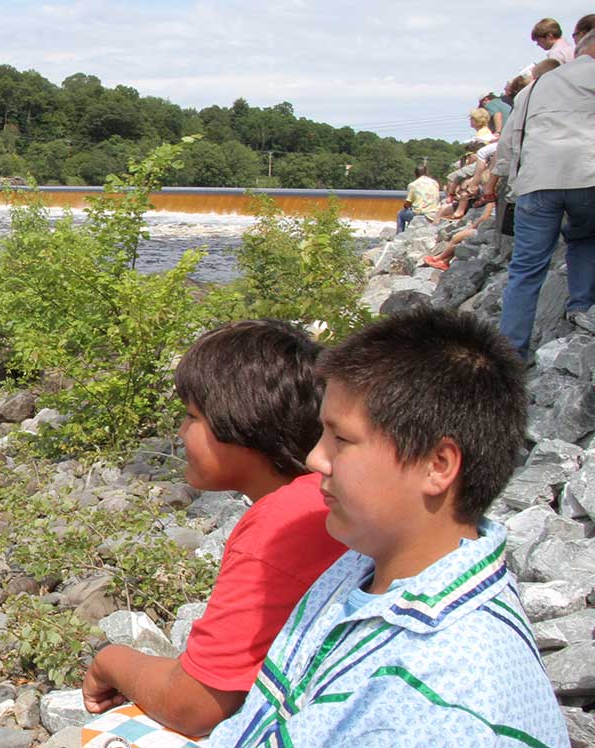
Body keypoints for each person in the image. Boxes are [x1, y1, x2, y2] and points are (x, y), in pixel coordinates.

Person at [208, 308, 568, 747]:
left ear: (437, 466)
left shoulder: (443, 704)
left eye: (341, 440)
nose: (315, 459)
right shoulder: (371, 562)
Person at [80, 321, 346, 737]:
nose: (182, 431)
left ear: (242, 423)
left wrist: (110, 660)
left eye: (192, 416)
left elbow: (195, 706)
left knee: (107, 734)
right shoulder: (330, 496)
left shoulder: (280, 525)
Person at [489, 30, 595, 359]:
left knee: (525, 268)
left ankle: (512, 353)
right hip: (587, 175)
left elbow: (511, 137)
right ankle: (581, 306)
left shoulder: (538, 85)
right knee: (585, 237)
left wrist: (503, 175)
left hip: (536, 180)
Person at [422, 201, 494, 270]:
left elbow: (484, 217)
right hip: (489, 229)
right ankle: (444, 260)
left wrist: (472, 227)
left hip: (487, 231)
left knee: (457, 237)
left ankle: (439, 258)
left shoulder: (491, 202)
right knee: (459, 238)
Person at [396, 166, 440, 234]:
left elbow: (408, 204)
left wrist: (405, 206)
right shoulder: (435, 183)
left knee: (400, 214)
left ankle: (399, 235)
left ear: (415, 174)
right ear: (426, 173)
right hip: (435, 214)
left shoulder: (412, 185)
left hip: (421, 215)